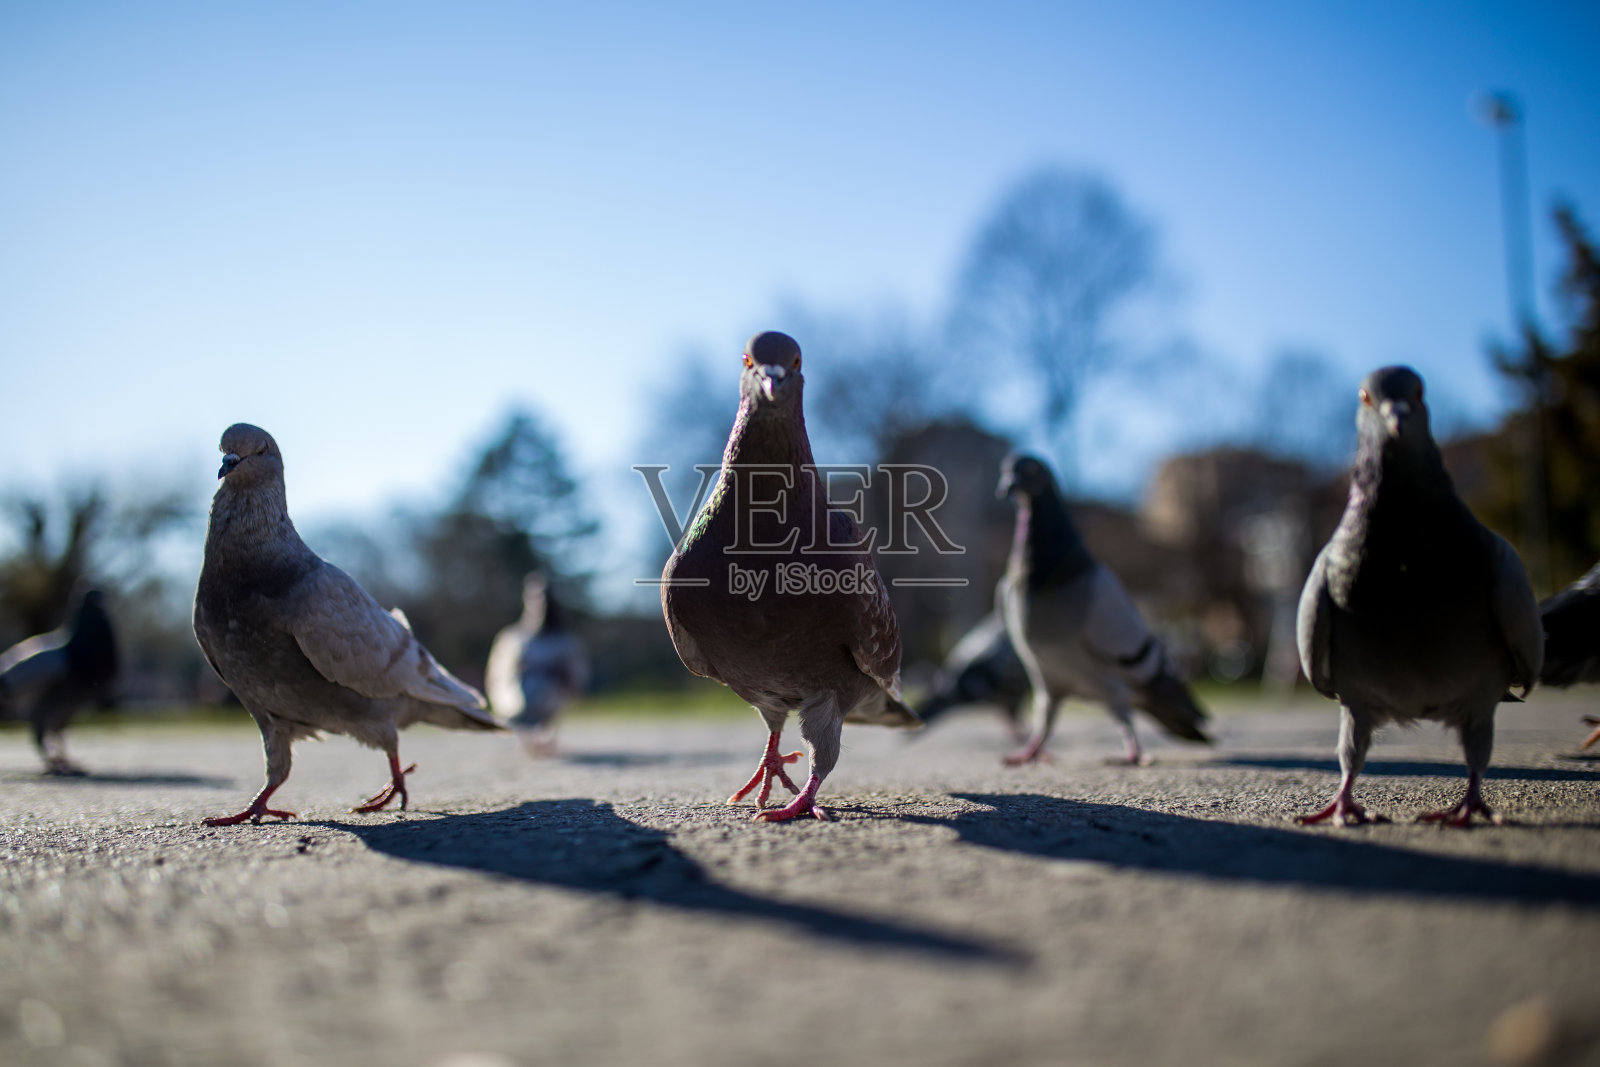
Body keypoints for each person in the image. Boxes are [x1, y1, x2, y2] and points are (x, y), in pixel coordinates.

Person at [485, 573, 587, 757]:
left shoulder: (564, 642)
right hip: (516, 700)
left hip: (550, 697)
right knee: (523, 692)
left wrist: (565, 682)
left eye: (544, 596)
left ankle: (546, 734)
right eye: (535, 596)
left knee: (546, 685)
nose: (540, 602)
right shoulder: (512, 639)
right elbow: (496, 676)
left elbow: (575, 677)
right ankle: (527, 734)